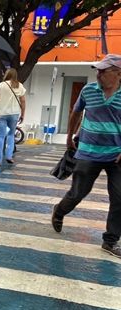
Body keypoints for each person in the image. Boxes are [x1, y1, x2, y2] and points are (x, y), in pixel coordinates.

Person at [52, 54, 121, 258]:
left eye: (103, 71)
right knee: (77, 193)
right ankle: (60, 210)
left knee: (120, 198)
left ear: (118, 73)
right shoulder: (88, 90)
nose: (98, 74)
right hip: (88, 151)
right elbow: (76, 112)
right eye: (97, 70)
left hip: (116, 155)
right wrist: (69, 136)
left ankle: (110, 241)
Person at [0, 68, 26, 166]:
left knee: (1, 136)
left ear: (7, 74)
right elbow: (23, 101)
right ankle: (9, 156)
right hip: (14, 114)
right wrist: (23, 114)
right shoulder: (20, 85)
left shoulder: (2, 85)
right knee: (11, 135)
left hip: (2, 113)